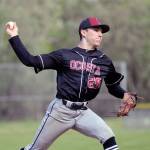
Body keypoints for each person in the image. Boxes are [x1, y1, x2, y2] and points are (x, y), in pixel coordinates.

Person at [5, 17, 135, 150]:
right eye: (96, 30)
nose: (100, 34)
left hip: (83, 112)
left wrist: (124, 94)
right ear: (83, 32)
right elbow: (30, 60)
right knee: (35, 149)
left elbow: (112, 87)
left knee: (108, 138)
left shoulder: (104, 61)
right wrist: (14, 36)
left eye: (101, 31)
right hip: (61, 111)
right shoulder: (64, 55)